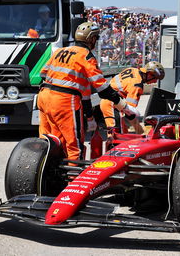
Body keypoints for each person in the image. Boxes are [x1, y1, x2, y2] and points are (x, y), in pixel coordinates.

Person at [38, 22, 139, 163]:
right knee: (74, 146)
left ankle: (46, 171)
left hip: (43, 96)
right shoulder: (86, 57)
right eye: (96, 38)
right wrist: (124, 107)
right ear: (91, 39)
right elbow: (103, 89)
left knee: (50, 140)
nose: (96, 41)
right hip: (64, 101)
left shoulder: (60, 51)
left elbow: (43, 74)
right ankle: (73, 179)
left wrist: (90, 117)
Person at [100, 61, 165, 134]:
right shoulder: (137, 86)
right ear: (149, 74)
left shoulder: (133, 70)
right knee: (115, 136)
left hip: (112, 102)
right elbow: (129, 113)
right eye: (155, 78)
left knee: (124, 135)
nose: (155, 81)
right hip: (111, 105)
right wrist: (140, 131)